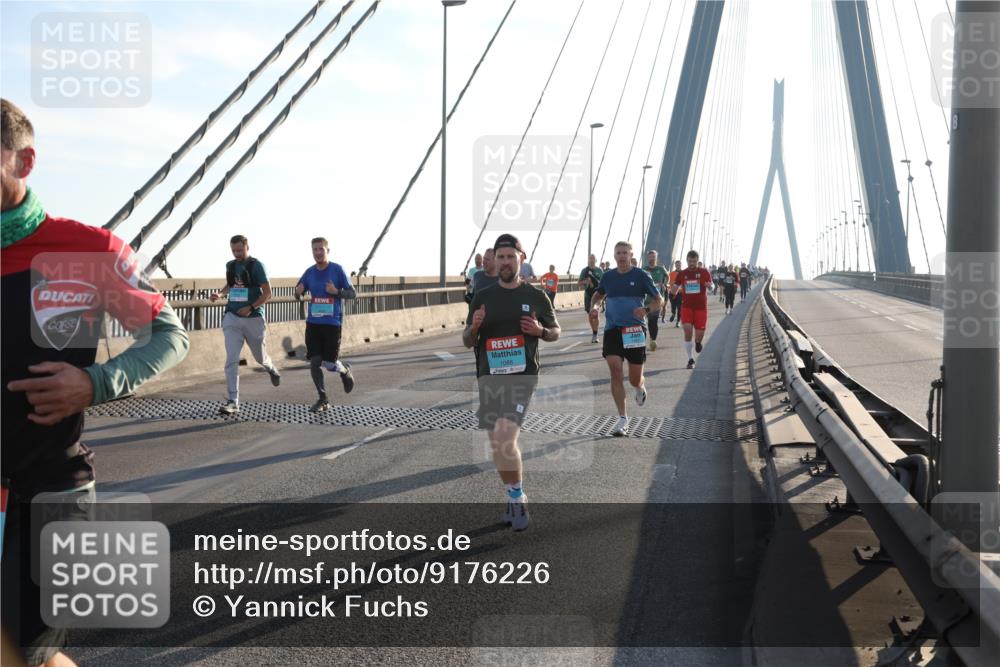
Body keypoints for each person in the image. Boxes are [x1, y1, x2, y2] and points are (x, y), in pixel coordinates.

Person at [1, 98, 189, 667]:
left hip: (48, 489)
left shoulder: (88, 250)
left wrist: (95, 382)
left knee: (26, 656)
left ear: (24, 162)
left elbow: (170, 335)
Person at [463, 234, 559, 531]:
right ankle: (512, 493)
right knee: (497, 444)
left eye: (510, 257)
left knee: (505, 437)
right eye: (501, 257)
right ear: (495, 260)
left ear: (521, 259)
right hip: (489, 377)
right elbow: (467, 340)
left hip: (522, 376)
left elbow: (556, 331)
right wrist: (475, 327)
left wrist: (540, 331)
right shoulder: (482, 296)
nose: (505, 262)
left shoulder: (536, 296)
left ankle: (518, 499)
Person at [590, 242, 663, 437]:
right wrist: (595, 307)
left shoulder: (641, 275)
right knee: (615, 370)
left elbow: (659, 300)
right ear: (614, 256)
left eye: (625, 253)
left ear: (631, 255)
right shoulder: (608, 276)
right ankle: (623, 418)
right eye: (618, 253)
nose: (622, 256)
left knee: (633, 379)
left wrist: (646, 310)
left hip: (634, 330)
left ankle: (639, 386)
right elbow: (597, 296)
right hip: (613, 329)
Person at [209, 235, 280, 415]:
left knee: (260, 357)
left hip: (253, 318)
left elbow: (268, 293)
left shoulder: (257, 266)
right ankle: (233, 401)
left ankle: (270, 367)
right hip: (232, 317)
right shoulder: (230, 266)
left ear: (247, 247)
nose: (237, 253)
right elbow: (231, 285)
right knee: (231, 359)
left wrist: (251, 308)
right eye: (234, 250)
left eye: (240, 250)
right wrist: (220, 294)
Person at [295, 237, 356, 412]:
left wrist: (336, 291)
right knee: (315, 362)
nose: (318, 252)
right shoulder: (309, 272)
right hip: (313, 323)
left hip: (332, 324)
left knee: (329, 364)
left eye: (321, 249)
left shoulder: (337, 270)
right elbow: (298, 293)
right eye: (315, 249)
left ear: (327, 251)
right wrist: (298, 293)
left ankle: (344, 370)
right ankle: (323, 399)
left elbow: (353, 294)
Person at [677, 250, 714, 369]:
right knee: (688, 331)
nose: (692, 263)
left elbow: (712, 286)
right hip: (686, 307)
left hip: (701, 308)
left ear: (697, 261)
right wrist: (673, 289)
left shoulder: (704, 272)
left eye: (694, 261)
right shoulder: (682, 273)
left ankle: (698, 342)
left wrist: (710, 287)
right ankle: (690, 359)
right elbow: (675, 286)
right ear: (686, 260)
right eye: (690, 261)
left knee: (699, 334)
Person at [642, 250, 668, 351]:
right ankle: (642, 342)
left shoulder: (661, 269)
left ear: (656, 258)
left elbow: (667, 277)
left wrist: (664, 284)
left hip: (657, 300)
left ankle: (653, 340)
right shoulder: (644, 269)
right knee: (644, 322)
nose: (652, 259)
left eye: (653, 257)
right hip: (646, 300)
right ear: (647, 258)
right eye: (650, 257)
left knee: (653, 320)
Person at [577, 254, 604, 343]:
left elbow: (604, 282)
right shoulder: (584, 271)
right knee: (590, 315)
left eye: (593, 259)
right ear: (588, 260)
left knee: (595, 313)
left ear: (596, 260)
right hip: (588, 295)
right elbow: (579, 283)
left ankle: (595, 335)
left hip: (598, 295)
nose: (591, 260)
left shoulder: (599, 270)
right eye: (590, 259)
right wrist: (586, 281)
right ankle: (594, 332)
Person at [666, 259, 683, 327]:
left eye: (679, 264)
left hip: (681, 293)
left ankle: (678, 321)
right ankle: (673, 314)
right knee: (673, 306)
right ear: (675, 265)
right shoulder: (671, 273)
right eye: (677, 265)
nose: (678, 266)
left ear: (681, 265)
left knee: (680, 308)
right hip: (672, 293)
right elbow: (668, 282)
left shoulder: (684, 273)